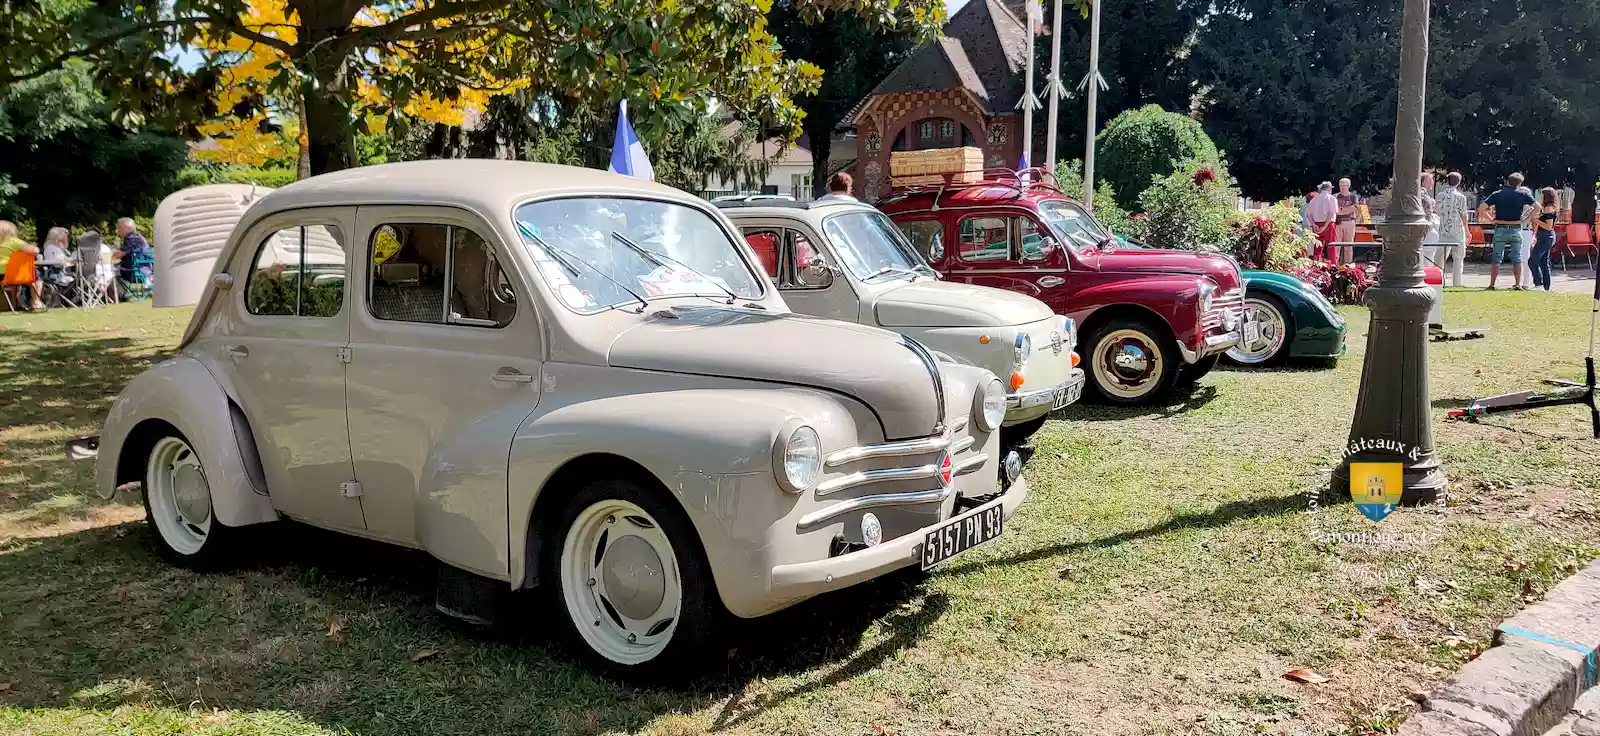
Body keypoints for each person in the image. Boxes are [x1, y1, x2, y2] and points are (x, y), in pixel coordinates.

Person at [1483, 172, 1535, 290]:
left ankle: (1492, 284)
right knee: (1517, 257)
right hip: (1516, 227)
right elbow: (1537, 207)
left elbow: (1481, 209)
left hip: (1500, 227)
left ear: (1508, 181)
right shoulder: (1522, 194)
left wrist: (1492, 220)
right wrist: (1525, 219)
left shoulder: (1497, 194)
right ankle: (1518, 284)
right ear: (1520, 183)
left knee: (1497, 257)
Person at [1432, 172, 1470, 287]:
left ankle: (1439, 281)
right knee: (1458, 258)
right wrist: (1467, 231)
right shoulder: (1461, 197)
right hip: (1457, 230)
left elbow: (1436, 211)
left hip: (1442, 230)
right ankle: (1457, 283)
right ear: (1459, 182)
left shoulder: (1439, 196)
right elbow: (1464, 215)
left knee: (1439, 259)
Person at [0, 220, 44, 311]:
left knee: (14, 284)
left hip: (1, 277)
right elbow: (34, 251)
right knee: (37, 278)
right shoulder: (14, 241)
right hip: (15, 275)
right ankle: (36, 301)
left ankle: (15, 304)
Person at [113, 217, 152, 299]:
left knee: (109, 272)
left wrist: (109, 254)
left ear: (127, 227)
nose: (118, 230)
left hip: (133, 271)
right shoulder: (138, 237)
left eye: (119, 227)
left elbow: (118, 255)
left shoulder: (132, 239)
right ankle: (127, 294)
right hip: (144, 269)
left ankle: (125, 296)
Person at [1530, 187, 1558, 291]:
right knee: (1543, 262)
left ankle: (1539, 283)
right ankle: (1546, 287)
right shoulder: (1547, 207)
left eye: (1541, 194)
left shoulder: (1548, 208)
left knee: (1532, 261)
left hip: (1546, 237)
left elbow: (1548, 226)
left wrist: (1536, 220)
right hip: (1546, 236)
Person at [1307, 181, 1339, 260]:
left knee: (1317, 246)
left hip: (1316, 224)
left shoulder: (1314, 199)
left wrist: (1313, 224)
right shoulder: (1332, 198)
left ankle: (1317, 264)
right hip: (1329, 224)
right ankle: (1333, 264)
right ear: (1329, 188)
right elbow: (1331, 213)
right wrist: (1325, 226)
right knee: (1331, 245)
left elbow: (1309, 214)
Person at [1333, 178, 1360, 264]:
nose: (1342, 188)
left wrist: (1341, 210)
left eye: (1344, 185)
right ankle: (1335, 265)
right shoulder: (1335, 196)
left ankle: (1348, 265)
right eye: (1340, 185)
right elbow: (1334, 209)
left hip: (1349, 222)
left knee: (1348, 245)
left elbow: (1354, 208)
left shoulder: (1353, 196)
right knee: (1336, 246)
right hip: (1338, 223)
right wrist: (1344, 210)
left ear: (1348, 186)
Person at [1516, 184, 1536, 289]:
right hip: (1525, 231)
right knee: (1522, 257)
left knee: (1524, 257)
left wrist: (1534, 234)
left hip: (1524, 231)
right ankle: (1523, 282)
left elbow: (1534, 222)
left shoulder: (1529, 207)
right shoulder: (1530, 206)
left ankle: (1525, 282)